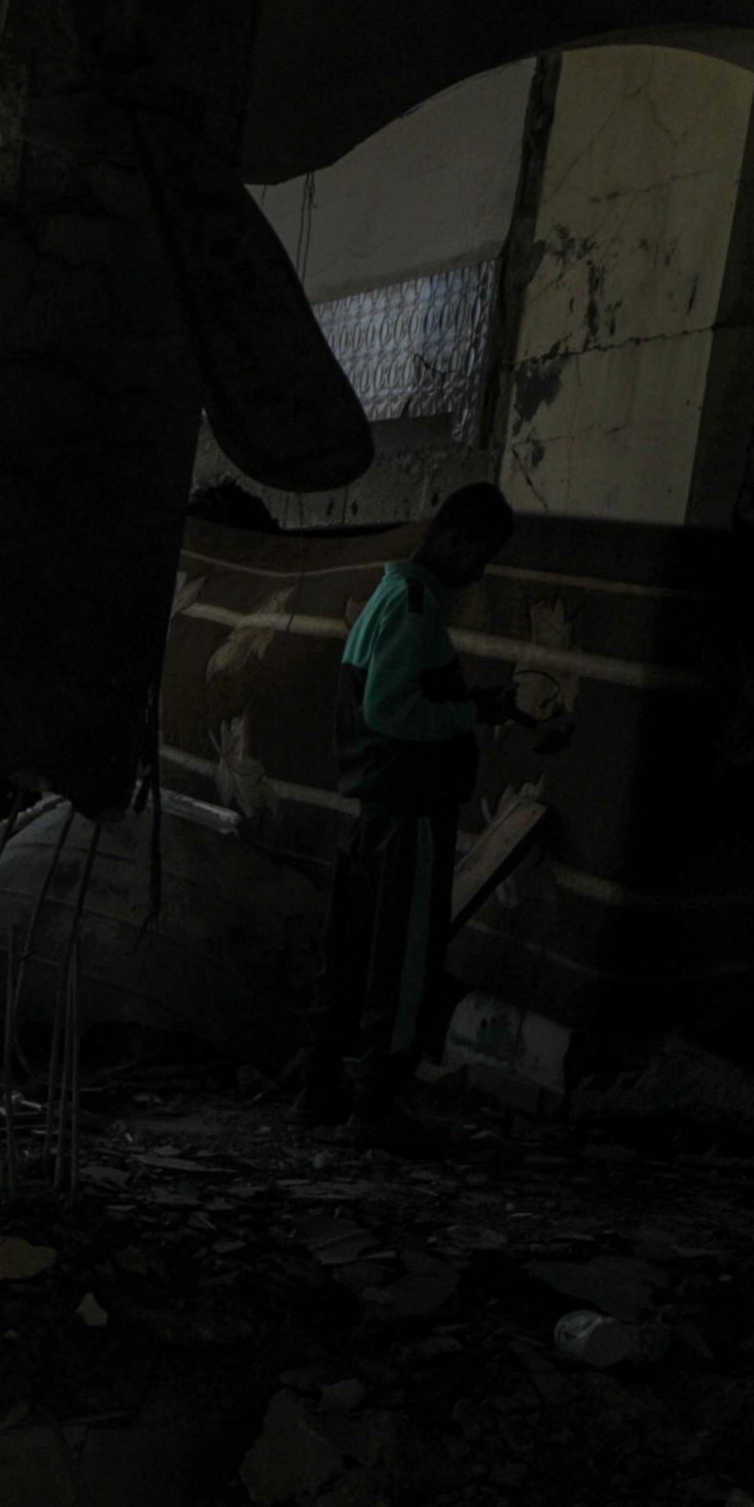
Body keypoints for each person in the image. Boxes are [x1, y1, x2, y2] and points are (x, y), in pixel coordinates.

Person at [303, 481, 543, 1128]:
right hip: (410, 816)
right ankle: (374, 1106)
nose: (479, 571)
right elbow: (391, 709)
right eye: (481, 555)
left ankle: (319, 1087)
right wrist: (469, 712)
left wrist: (486, 705)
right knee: (404, 964)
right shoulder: (415, 608)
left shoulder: (388, 598)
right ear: (455, 537)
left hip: (375, 813)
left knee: (350, 952)